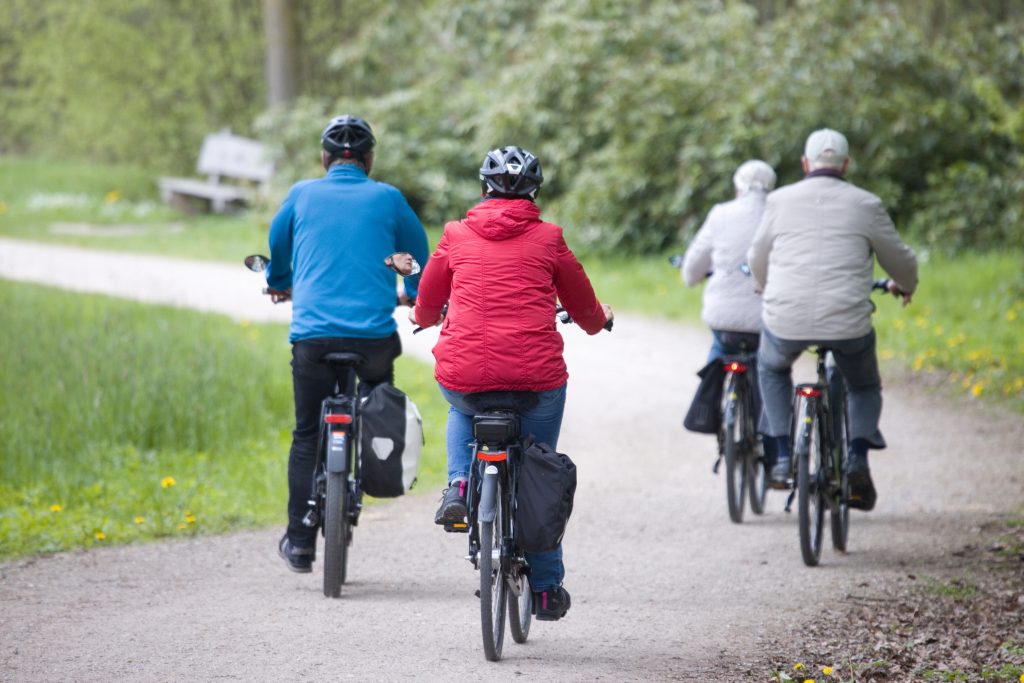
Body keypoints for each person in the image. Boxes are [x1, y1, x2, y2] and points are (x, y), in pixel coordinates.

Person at [411, 145, 613, 621]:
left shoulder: (456, 236)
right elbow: (583, 305)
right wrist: (598, 320)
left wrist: (423, 317)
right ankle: (544, 588)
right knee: (538, 472)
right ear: (534, 192)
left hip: (465, 375)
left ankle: (460, 485)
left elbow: (426, 299)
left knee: (462, 406)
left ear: (483, 188)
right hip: (534, 382)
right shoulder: (549, 239)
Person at [264, 115, 430, 572]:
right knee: (376, 405)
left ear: (324, 158)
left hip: (313, 340)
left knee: (306, 436)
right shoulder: (389, 198)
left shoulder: (301, 194)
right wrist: (415, 296)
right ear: (369, 160)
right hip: (373, 339)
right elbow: (418, 257)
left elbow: (278, 246)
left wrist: (280, 282)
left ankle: (299, 541)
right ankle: (372, 468)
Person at [747, 128, 917, 511]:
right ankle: (857, 456)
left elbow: (757, 256)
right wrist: (905, 285)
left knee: (772, 368)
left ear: (805, 164)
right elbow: (901, 260)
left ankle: (779, 455)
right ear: (845, 164)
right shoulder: (866, 204)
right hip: (848, 325)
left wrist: (763, 286)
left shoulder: (779, 200)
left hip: (785, 320)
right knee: (863, 385)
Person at [680, 159, 776, 362]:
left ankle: (710, 389)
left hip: (722, 318)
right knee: (771, 370)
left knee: (720, 350)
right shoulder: (780, 215)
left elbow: (692, 269)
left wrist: (692, 277)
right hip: (766, 319)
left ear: (738, 187)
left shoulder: (721, 214)